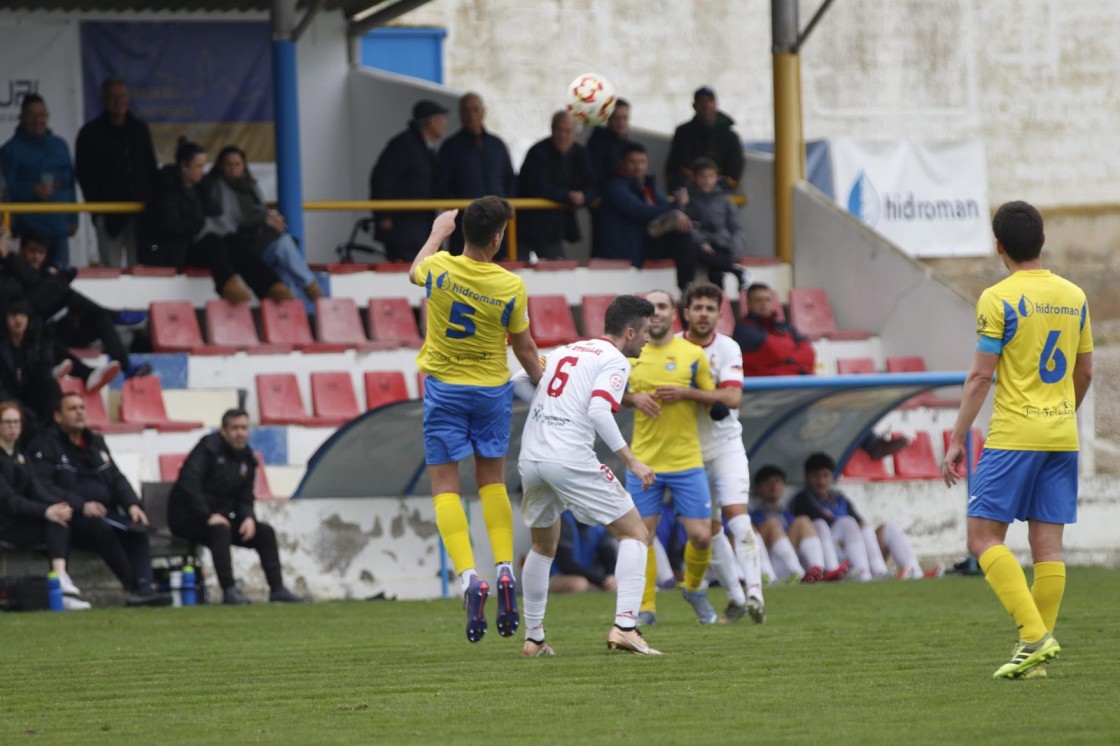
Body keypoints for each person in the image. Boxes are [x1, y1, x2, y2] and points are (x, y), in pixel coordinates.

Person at [941, 200, 1093, 680]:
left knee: (983, 537)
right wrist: (1063, 411)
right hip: (1061, 434)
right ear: (1043, 240)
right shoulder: (1074, 295)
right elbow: (1085, 370)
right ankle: (1036, 664)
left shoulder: (997, 298)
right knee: (1048, 547)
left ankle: (1034, 636)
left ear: (999, 246)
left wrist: (956, 437)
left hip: (1014, 434)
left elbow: (980, 378)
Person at [409, 197, 544, 643]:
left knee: (446, 487)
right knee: (493, 482)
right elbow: (525, 349)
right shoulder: (511, 286)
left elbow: (414, 271)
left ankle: (470, 579)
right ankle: (505, 567)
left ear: (462, 230)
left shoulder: (439, 268)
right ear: (499, 236)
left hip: (445, 389)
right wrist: (545, 384)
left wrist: (436, 233)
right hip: (490, 391)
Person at [512, 294, 660, 655]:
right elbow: (598, 410)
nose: (647, 340)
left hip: (532, 456)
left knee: (542, 546)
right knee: (635, 533)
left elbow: (519, 377)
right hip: (569, 457)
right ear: (628, 331)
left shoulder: (567, 350)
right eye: (645, 333)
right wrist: (632, 460)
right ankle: (626, 626)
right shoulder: (614, 360)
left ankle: (534, 638)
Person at [624, 289, 721, 625]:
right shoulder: (631, 353)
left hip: (685, 461)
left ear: (673, 313)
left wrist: (686, 393)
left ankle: (694, 589)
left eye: (662, 306)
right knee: (641, 537)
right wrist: (633, 399)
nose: (657, 313)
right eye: (650, 307)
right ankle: (647, 607)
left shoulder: (692, 354)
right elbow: (610, 395)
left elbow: (713, 399)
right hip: (644, 461)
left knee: (702, 535)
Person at [28, 392, 171, 606]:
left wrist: (132, 503)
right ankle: (133, 586)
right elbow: (42, 486)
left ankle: (145, 586)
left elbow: (116, 477)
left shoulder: (95, 442)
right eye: (72, 409)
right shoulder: (45, 444)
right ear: (58, 416)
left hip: (105, 512)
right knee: (101, 529)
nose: (79, 413)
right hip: (70, 518)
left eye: (82, 408)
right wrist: (81, 505)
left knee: (138, 528)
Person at [678, 283, 764, 622]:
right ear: (685, 312)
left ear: (719, 314)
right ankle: (736, 597)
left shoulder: (728, 348)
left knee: (737, 517)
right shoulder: (671, 347)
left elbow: (732, 399)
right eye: (697, 307)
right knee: (708, 529)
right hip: (687, 452)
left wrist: (687, 392)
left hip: (726, 446)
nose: (703, 314)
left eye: (710, 308)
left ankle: (756, 593)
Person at [168, 408, 304, 604]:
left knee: (264, 532)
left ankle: (277, 589)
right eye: (234, 428)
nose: (240, 433)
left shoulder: (248, 459)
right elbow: (189, 483)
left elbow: (245, 497)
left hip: (220, 519)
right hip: (188, 518)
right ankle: (229, 590)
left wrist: (248, 517)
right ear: (223, 431)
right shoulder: (207, 449)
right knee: (220, 529)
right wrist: (207, 515)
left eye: (244, 428)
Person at [1, 228, 149, 385]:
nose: (36, 257)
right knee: (60, 292)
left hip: (64, 327)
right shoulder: (11, 274)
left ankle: (127, 367)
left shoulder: (46, 271)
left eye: (41, 252)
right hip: (40, 333)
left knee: (99, 317)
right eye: (32, 251)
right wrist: (8, 258)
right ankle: (116, 316)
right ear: (21, 250)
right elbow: (30, 286)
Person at [136, 137, 254, 302]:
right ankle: (227, 284)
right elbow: (170, 225)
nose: (202, 171)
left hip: (187, 246)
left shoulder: (199, 187)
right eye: (198, 166)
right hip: (166, 251)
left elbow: (211, 214)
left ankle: (267, 286)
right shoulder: (166, 188)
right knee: (213, 242)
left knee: (233, 241)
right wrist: (201, 224)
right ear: (185, 166)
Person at [200, 145, 322, 300]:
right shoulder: (217, 187)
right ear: (221, 166)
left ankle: (290, 314)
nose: (233, 168)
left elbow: (261, 212)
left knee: (283, 264)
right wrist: (264, 219)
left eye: (237, 164)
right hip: (242, 247)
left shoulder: (251, 186)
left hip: (261, 241)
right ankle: (310, 285)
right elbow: (229, 223)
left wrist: (272, 219)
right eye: (229, 164)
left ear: (244, 166)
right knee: (283, 245)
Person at [0, 400, 90, 609]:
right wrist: (45, 511)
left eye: (16, 422)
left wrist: (58, 505)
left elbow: (37, 487)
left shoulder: (21, 456)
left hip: (22, 518)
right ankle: (60, 584)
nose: (13, 427)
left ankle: (60, 582)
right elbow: (8, 500)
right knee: (52, 519)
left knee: (59, 519)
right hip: (5, 524)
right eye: (7, 422)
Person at [790, 452, 935, 582]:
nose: (821, 481)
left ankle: (913, 571)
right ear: (807, 477)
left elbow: (860, 521)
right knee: (846, 522)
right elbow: (825, 522)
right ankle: (864, 574)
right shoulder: (803, 498)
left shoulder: (839, 497)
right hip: (830, 549)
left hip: (853, 545)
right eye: (816, 476)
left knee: (885, 528)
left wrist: (858, 530)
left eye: (825, 475)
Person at [75, 77, 158, 268]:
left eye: (122, 95)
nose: (118, 100)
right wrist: (97, 210)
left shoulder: (140, 129)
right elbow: (85, 175)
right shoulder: (90, 133)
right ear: (103, 100)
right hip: (108, 212)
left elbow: (150, 168)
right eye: (113, 96)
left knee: (140, 269)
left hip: (140, 213)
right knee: (110, 269)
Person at [597, 142, 697, 291]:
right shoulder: (615, 186)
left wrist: (678, 208)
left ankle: (687, 287)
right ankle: (717, 267)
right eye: (633, 162)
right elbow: (640, 211)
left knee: (686, 236)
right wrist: (675, 206)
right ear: (622, 163)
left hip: (646, 244)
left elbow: (664, 208)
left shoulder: (647, 186)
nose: (638, 167)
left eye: (642, 162)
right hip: (630, 249)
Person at [0, 94, 78, 268]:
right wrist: (31, 190)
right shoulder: (10, 150)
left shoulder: (60, 146)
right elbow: (5, 191)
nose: (37, 120)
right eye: (31, 115)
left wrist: (74, 218)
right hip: (29, 230)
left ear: (48, 117)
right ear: (21, 118)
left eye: (41, 114)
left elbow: (70, 183)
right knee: (29, 284)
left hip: (58, 229)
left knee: (59, 283)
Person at [436, 93, 517, 256]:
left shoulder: (497, 145)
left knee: (498, 272)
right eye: (466, 110)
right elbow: (441, 184)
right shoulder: (450, 147)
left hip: (497, 224)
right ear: (460, 114)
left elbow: (510, 180)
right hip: (464, 225)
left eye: (475, 109)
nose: (471, 115)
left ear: (483, 112)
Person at [370, 99, 448, 262]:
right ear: (432, 121)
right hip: (404, 228)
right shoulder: (403, 145)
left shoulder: (426, 148)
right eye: (442, 119)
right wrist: (383, 215)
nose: (445, 124)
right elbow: (381, 178)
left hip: (423, 225)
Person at [515, 111, 595, 261]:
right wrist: (569, 196)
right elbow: (539, 187)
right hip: (525, 228)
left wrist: (583, 197)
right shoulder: (537, 152)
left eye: (568, 131)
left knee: (558, 273)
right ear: (552, 130)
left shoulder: (581, 154)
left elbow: (592, 185)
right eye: (559, 130)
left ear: (576, 134)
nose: (563, 135)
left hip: (554, 232)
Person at [749, 464, 847, 583]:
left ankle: (817, 570)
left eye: (778, 482)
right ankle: (798, 571)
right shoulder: (753, 515)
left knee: (809, 522)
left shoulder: (788, 515)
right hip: (768, 563)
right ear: (759, 488)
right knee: (773, 523)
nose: (774, 486)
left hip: (788, 559)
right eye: (768, 483)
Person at [684, 158, 750, 290]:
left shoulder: (725, 200)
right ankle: (735, 270)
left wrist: (733, 247)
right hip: (701, 246)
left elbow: (736, 228)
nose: (707, 181)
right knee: (697, 253)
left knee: (716, 274)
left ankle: (721, 303)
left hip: (722, 245)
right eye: (703, 177)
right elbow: (688, 225)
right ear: (695, 178)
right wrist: (701, 242)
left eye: (711, 176)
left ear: (717, 177)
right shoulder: (688, 199)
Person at [665, 86, 744, 192]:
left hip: (719, 190)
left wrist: (710, 182)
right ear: (694, 106)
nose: (706, 105)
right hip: (689, 189)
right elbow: (673, 166)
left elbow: (734, 172)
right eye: (702, 102)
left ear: (716, 104)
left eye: (710, 101)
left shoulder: (731, 137)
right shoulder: (682, 132)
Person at [0, 298, 62, 428]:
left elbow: (44, 376)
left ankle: (54, 430)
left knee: (52, 387)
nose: (18, 319)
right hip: (7, 398)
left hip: (31, 396)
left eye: (22, 315)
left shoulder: (36, 344)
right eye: (13, 315)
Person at [734, 283, 816, 376]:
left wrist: (790, 360)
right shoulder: (743, 329)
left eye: (767, 300)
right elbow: (776, 352)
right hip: (761, 387)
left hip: (793, 382)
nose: (764, 304)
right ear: (748, 304)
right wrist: (795, 360)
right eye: (758, 300)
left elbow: (809, 352)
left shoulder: (784, 325)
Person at [549, 511, 620, 594]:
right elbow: (567, 564)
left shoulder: (600, 524)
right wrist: (600, 581)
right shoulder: (564, 520)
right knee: (579, 584)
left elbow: (608, 555)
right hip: (557, 575)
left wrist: (610, 576)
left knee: (616, 582)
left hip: (590, 576)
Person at [586, 98, 632, 188]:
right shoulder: (597, 142)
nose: (621, 123)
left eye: (624, 118)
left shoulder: (628, 145)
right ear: (608, 119)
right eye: (617, 118)